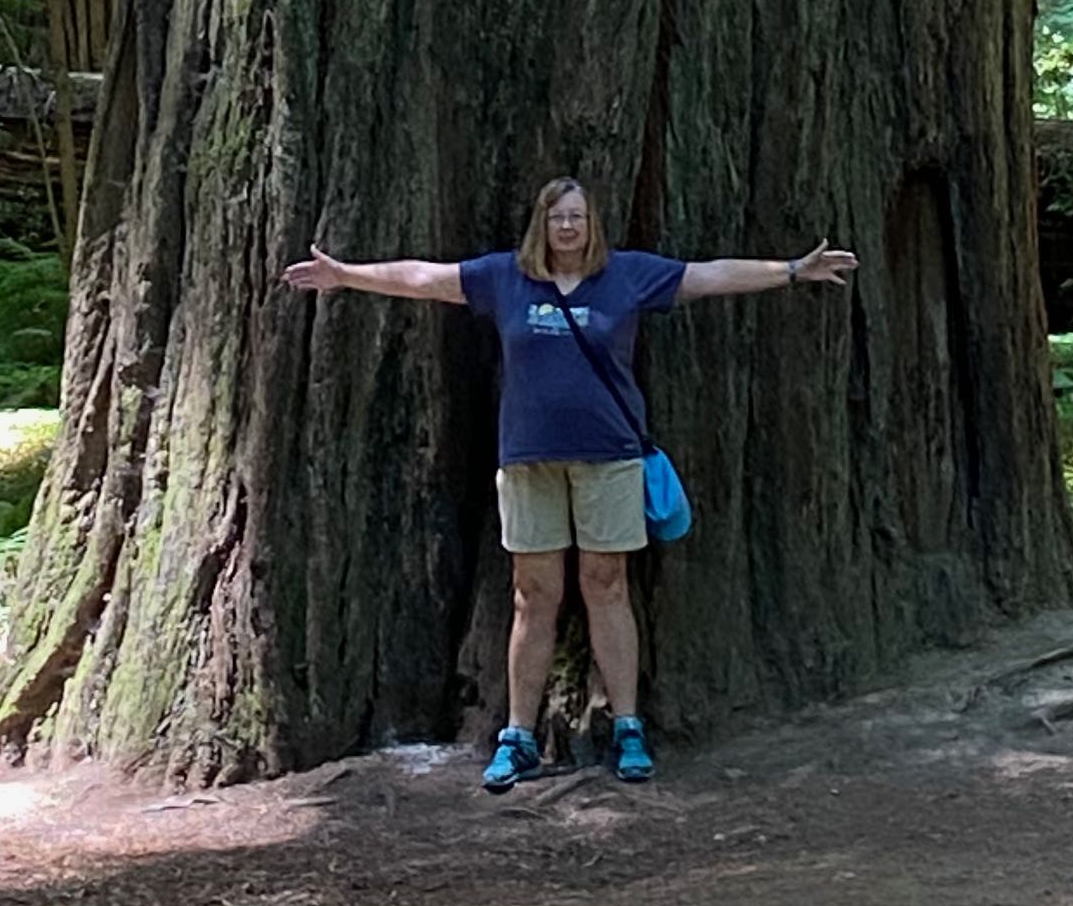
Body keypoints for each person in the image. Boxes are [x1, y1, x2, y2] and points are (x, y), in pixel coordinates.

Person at [283, 173, 855, 788]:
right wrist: (345, 275)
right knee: (533, 594)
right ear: (542, 224)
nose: (567, 226)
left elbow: (708, 275)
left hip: (609, 457)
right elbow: (424, 278)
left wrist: (791, 270)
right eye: (557, 217)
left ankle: (628, 727)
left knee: (606, 585)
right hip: (528, 460)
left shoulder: (627, 275)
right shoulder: (506, 277)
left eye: (576, 216)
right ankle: (519, 736)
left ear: (591, 223)